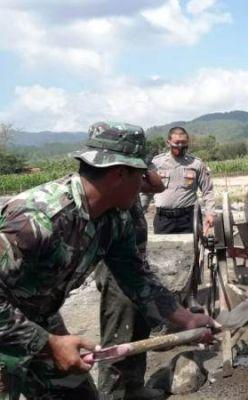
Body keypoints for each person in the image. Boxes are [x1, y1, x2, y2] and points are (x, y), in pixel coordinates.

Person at [0, 121, 219, 399]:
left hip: (39, 318)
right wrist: (49, 344)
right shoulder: (36, 220)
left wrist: (186, 318)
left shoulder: (114, 218)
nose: (144, 185)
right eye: (141, 175)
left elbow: (136, 277)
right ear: (119, 174)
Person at [95, 159, 166, 400]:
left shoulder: (133, 180)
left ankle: (134, 387)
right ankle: (112, 394)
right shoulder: (108, 183)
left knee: (139, 325)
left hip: (135, 260)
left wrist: (142, 165)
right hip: (115, 265)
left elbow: (157, 185)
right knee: (119, 332)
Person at [141, 127, 215, 234]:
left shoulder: (196, 164)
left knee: (193, 244)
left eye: (183, 142)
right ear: (168, 143)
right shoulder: (156, 163)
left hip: (189, 218)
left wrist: (210, 213)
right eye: (177, 142)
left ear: (188, 142)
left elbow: (207, 190)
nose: (180, 145)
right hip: (163, 220)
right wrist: (140, 213)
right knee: (162, 245)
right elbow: (147, 192)